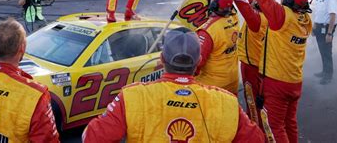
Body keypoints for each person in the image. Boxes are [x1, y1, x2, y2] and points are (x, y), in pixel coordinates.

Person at [82, 27, 264, 143]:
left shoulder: (132, 96)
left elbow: (91, 137)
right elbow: (256, 140)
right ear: (199, 60)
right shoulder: (227, 102)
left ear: (161, 59)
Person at [241, 0, 312, 143]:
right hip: (295, 80)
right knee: (290, 123)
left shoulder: (281, 17)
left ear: (287, 2)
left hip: (277, 82)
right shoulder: (305, 18)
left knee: (274, 126)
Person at [225, 0, 267, 126]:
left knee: (252, 102)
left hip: (252, 67)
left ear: (257, 5)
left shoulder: (255, 20)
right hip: (260, 65)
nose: (253, 0)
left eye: (255, 1)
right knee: (259, 101)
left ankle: (256, 131)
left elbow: (241, 2)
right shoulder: (266, 15)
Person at [195, 0, 240, 95]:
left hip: (212, 86)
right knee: (231, 113)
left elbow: (198, 61)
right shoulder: (234, 17)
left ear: (214, 5)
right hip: (232, 80)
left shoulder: (208, 30)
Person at [312, 0, 337, 85]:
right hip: (319, 26)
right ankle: (324, 71)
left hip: (327, 27)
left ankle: (328, 76)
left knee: (327, 52)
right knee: (322, 50)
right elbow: (318, 13)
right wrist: (314, 27)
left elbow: (333, 15)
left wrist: (329, 33)